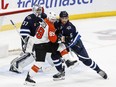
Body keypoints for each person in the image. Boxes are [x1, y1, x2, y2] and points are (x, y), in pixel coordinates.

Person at [54, 11, 108, 79]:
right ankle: (61, 72)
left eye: (66, 18)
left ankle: (98, 70)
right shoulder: (57, 23)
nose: (64, 20)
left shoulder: (70, 27)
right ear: (60, 18)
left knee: (85, 60)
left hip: (76, 44)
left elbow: (68, 40)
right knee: (54, 55)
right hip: (66, 44)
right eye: (62, 18)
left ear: (68, 18)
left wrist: (59, 38)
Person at [9, 4, 47, 73]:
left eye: (40, 10)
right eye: (37, 10)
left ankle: (38, 65)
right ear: (34, 10)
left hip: (36, 40)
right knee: (29, 54)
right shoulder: (29, 18)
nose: (39, 12)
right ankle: (16, 64)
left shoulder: (41, 19)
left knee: (39, 52)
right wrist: (26, 39)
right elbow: (24, 29)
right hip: (28, 39)